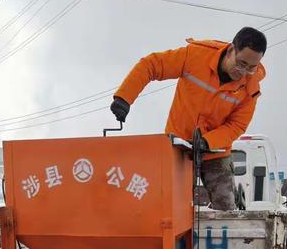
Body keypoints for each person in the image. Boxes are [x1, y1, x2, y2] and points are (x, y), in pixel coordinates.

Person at [110, 27, 266, 210]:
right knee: (171, 204)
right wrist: (124, 97)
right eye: (241, 63)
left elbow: (237, 126)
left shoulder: (250, 89)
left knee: (225, 206)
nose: (243, 72)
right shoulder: (196, 56)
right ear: (231, 50)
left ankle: (221, 236)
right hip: (178, 145)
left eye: (251, 68)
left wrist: (208, 142)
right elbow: (152, 65)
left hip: (216, 151)